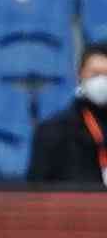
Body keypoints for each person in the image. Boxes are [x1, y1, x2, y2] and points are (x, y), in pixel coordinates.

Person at [28, 43, 107, 185]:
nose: (102, 81)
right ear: (80, 75)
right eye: (95, 74)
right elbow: (35, 189)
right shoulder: (53, 131)